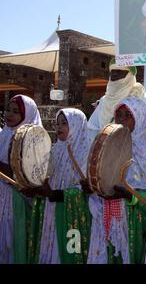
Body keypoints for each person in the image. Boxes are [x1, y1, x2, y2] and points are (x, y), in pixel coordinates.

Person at [87, 96, 146, 264]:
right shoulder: (110, 149)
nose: (122, 119)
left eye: (128, 115)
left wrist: (129, 196)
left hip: (139, 230)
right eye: (119, 115)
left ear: (141, 119)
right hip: (111, 223)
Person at [26, 108, 91, 264]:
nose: (58, 127)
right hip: (51, 211)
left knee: (69, 251)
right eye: (57, 123)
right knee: (50, 247)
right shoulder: (56, 149)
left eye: (64, 123)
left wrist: (57, 195)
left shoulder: (86, 153)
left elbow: (87, 189)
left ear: (76, 125)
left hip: (73, 216)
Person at [0, 95, 42, 263]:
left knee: (12, 240)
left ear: (28, 115)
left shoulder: (32, 140)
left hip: (16, 200)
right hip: (2, 197)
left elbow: (22, 174)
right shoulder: (4, 134)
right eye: (8, 110)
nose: (9, 114)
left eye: (16, 112)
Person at [87, 58, 146, 143]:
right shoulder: (104, 101)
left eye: (119, 71)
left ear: (129, 75)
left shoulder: (141, 98)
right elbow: (93, 128)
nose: (114, 74)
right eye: (112, 71)